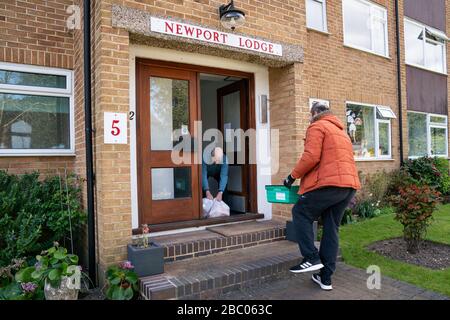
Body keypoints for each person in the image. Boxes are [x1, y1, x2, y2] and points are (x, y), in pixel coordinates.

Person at [284, 101, 361, 291]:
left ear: (316, 112)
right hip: (348, 187)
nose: (309, 118)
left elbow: (311, 156)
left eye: (310, 114)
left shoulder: (317, 126)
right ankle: (325, 277)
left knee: (300, 212)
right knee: (331, 228)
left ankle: (311, 257)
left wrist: (292, 176)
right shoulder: (341, 132)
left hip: (329, 185)